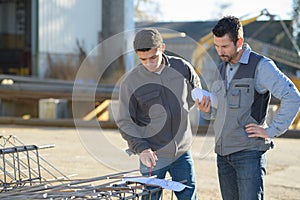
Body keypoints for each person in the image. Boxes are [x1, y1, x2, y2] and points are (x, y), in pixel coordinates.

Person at [196, 16, 300, 200]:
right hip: (223, 155)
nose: (220, 52)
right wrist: (207, 109)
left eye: (225, 46)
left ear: (240, 42)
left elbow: (292, 96)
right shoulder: (220, 69)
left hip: (248, 155)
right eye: (217, 46)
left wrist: (271, 130)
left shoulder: (261, 66)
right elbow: (219, 109)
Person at [116, 28, 200, 199]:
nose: (149, 63)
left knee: (188, 197)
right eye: (143, 59)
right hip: (152, 156)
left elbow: (195, 96)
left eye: (153, 57)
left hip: (182, 153)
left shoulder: (183, 68)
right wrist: (142, 148)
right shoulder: (131, 82)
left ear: (162, 47)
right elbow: (125, 121)